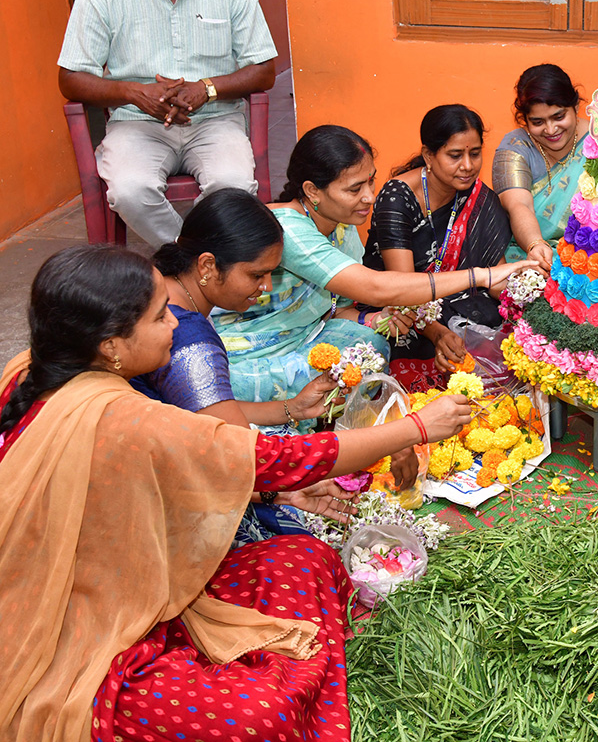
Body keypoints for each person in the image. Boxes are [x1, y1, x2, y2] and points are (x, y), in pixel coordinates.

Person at [0, 244, 472, 740]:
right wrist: (416, 426)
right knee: (258, 715)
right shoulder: (123, 416)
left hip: (134, 585)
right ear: (112, 344)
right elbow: (276, 459)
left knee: (306, 558)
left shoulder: (30, 367)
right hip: (79, 635)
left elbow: (189, 474)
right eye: (161, 316)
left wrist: (274, 494)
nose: (177, 325)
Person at [213, 124, 535, 404]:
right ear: (312, 191)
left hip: (308, 337)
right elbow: (377, 287)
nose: (370, 196)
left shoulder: (342, 227)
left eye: (371, 182)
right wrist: (484, 275)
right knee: (314, 378)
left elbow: (336, 309)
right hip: (255, 346)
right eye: (355, 188)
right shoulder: (290, 228)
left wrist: (378, 319)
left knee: (372, 345)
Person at [133, 188, 359, 546]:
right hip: (148, 494)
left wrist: (290, 409)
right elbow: (245, 457)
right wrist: (413, 430)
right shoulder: (189, 340)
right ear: (208, 266)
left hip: (156, 454)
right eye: (257, 275)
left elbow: (205, 414)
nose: (266, 287)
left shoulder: (155, 282)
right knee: (303, 546)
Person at [57, 0, 277, 247]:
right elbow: (70, 79)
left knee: (232, 187)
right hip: (137, 124)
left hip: (214, 121)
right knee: (129, 191)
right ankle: (192, 258)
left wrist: (206, 89)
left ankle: (197, 263)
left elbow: (264, 69)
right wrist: (134, 92)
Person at [365, 105, 511, 389]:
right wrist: (439, 334)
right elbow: (402, 290)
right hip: (402, 305)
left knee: (502, 327)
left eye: (475, 153)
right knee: (411, 340)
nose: (467, 165)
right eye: (455, 155)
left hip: (459, 296)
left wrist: (532, 298)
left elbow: (494, 278)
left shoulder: (478, 198)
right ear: (429, 155)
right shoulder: (397, 199)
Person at [492, 64, 586, 268]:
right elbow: (519, 205)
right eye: (537, 122)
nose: (551, 129)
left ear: (576, 107)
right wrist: (535, 245)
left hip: (589, 260)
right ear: (524, 120)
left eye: (559, 117)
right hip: (525, 255)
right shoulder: (515, 147)